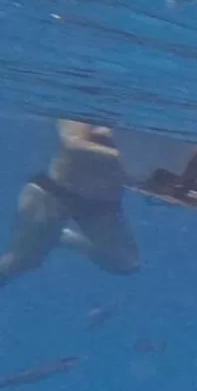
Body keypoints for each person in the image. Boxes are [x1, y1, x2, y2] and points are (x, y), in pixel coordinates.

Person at [0, 120, 139, 288]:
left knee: (125, 263)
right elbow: (72, 142)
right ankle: (52, 235)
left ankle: (66, 238)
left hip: (102, 205)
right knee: (21, 261)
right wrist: (128, 159)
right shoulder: (86, 105)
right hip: (54, 192)